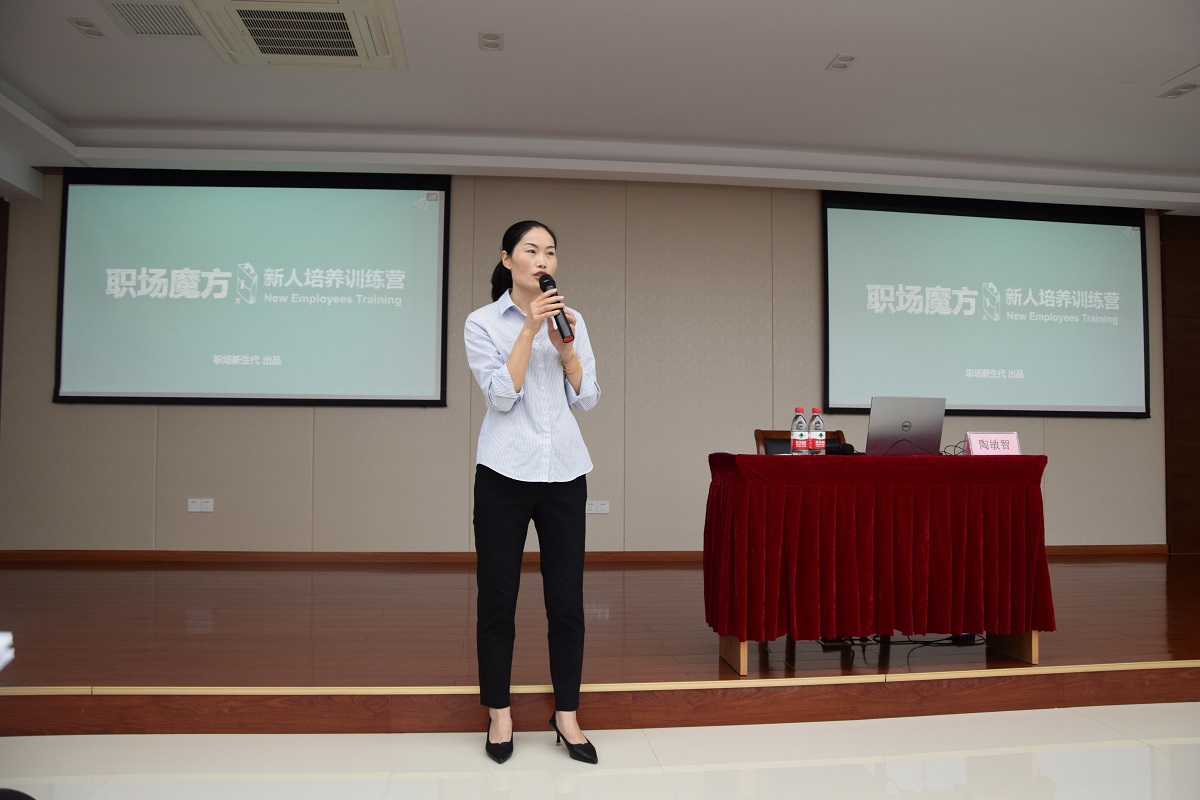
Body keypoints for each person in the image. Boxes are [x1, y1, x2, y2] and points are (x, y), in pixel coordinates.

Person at [464, 220, 601, 765]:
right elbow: (501, 397)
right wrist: (528, 330)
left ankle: (566, 713)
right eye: (531, 250)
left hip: (565, 473)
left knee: (567, 601)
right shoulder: (482, 323)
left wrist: (566, 350)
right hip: (503, 474)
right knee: (498, 598)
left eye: (550, 252)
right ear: (507, 259)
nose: (542, 260)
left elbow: (587, 398)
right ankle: (499, 712)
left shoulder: (573, 319)